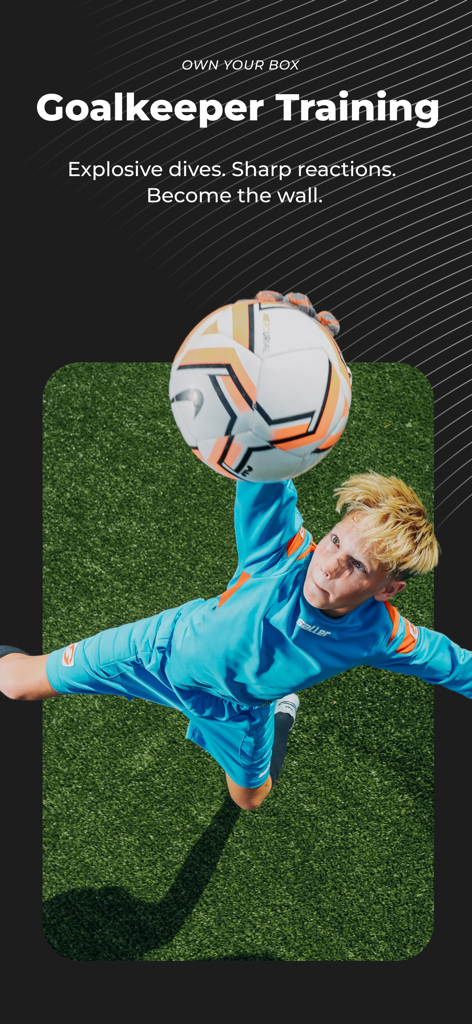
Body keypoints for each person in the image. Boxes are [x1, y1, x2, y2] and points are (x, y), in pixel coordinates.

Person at [1, 470, 471, 810]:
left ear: (387, 590)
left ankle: (281, 716)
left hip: (238, 711)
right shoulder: (280, 551)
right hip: (157, 653)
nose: (328, 564)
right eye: (334, 541)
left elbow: (454, 665)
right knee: (18, 682)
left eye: (358, 566)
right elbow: (265, 465)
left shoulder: (381, 633)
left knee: (249, 799)